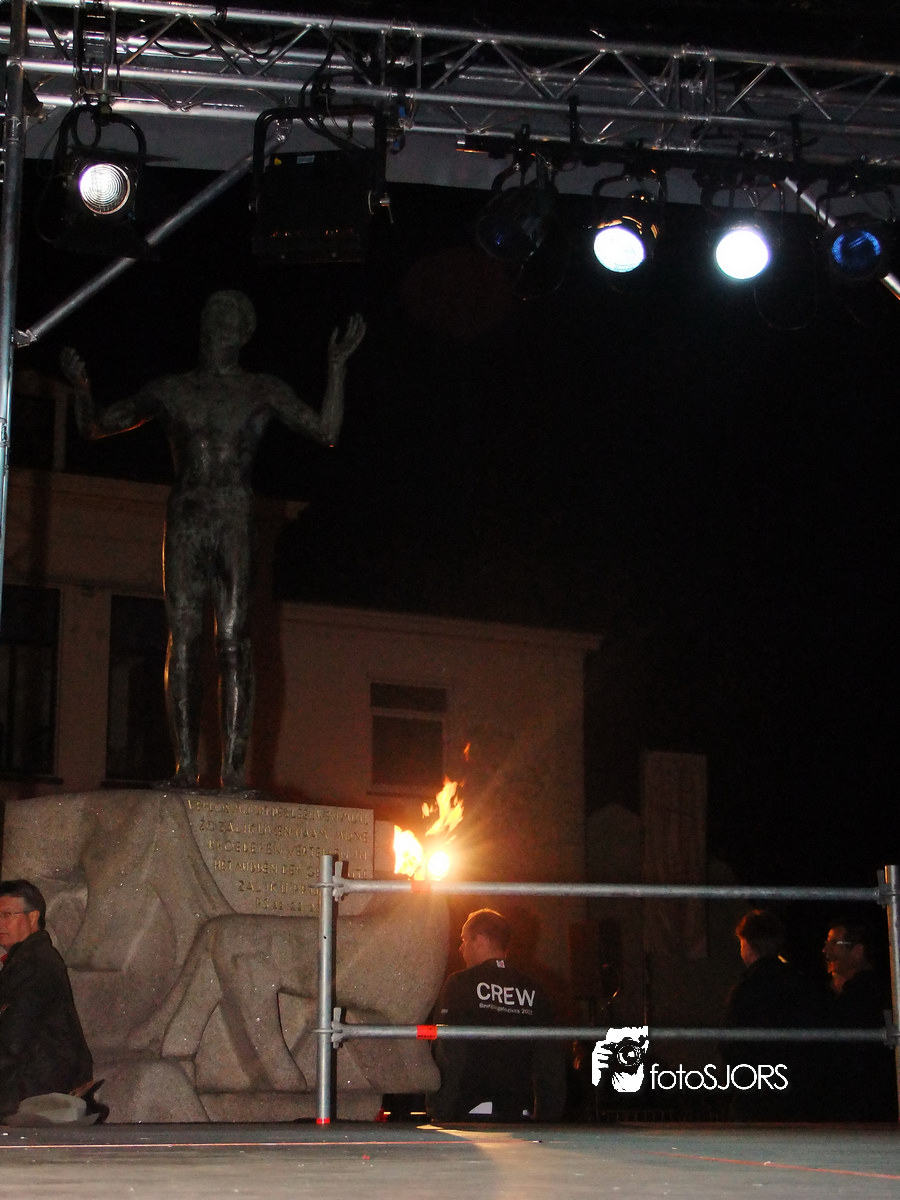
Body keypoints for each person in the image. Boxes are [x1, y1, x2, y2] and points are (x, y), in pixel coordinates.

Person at [61, 293, 366, 789]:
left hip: (234, 516)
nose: (220, 323)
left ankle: (233, 770)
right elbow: (96, 426)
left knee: (233, 638)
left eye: (232, 317)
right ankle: (185, 766)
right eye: (214, 315)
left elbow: (326, 430)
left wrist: (337, 369)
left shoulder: (260, 389)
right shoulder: (172, 390)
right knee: (183, 637)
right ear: (203, 326)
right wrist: (81, 388)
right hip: (186, 515)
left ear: (245, 332)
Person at [428, 908, 566, 1122]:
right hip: (520, 1113)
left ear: (480, 940)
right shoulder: (535, 989)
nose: (461, 948)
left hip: (469, 1111)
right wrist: (547, 1119)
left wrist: (440, 1109)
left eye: (464, 940)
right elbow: (550, 1061)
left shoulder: (460, 984)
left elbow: (448, 1049)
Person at [0, 880, 95, 1119]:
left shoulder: (34, 963)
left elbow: (14, 1036)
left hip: (37, 1092)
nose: (0, 923)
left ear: (33, 917)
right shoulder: (27, 960)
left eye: (7, 915)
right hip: (36, 1086)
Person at [721, 908, 827, 1120]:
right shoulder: (802, 984)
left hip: (757, 1095)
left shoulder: (746, 989)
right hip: (801, 1095)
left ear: (747, 945)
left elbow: (730, 1046)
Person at [822, 919, 897, 1120]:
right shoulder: (840, 991)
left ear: (857, 951)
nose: (826, 951)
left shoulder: (867, 993)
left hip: (862, 1095)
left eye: (834, 944)